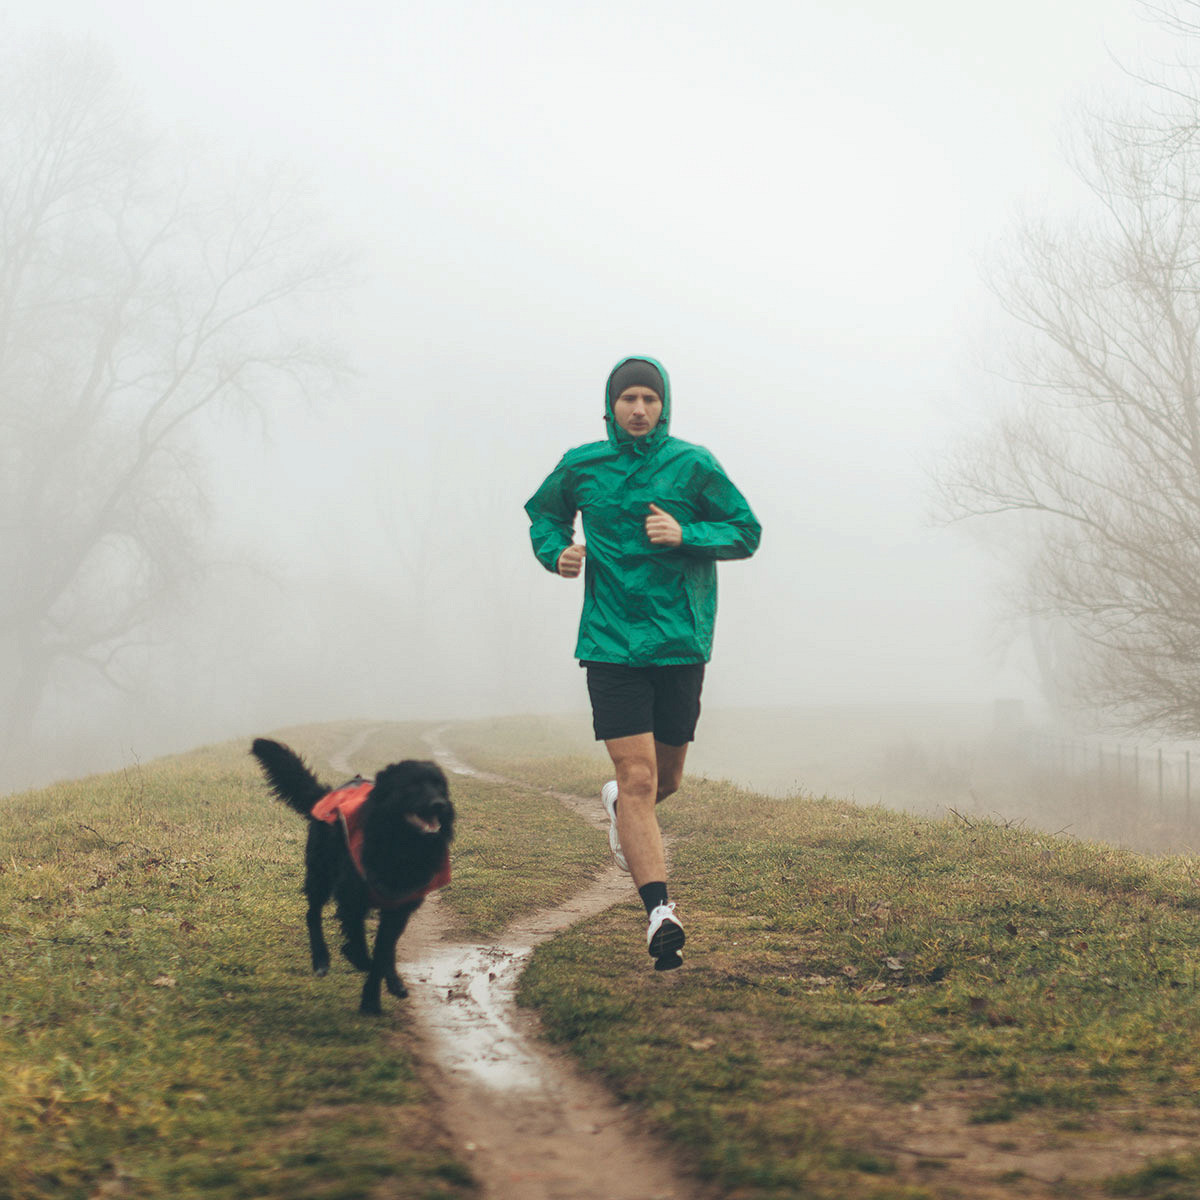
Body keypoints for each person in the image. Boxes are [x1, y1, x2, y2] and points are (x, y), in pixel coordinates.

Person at [524, 355, 761, 970]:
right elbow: (544, 513)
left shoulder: (693, 465)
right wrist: (557, 553)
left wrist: (687, 535)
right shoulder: (582, 464)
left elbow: (746, 530)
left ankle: (620, 809)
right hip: (609, 642)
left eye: (649, 400)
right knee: (639, 779)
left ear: (664, 406)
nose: (638, 409)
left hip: (680, 638)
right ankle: (660, 911)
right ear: (611, 406)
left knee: (665, 780)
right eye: (628, 398)